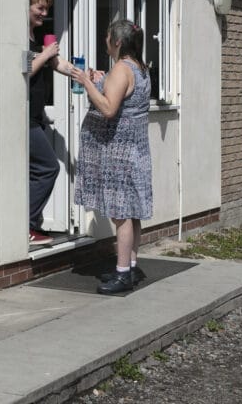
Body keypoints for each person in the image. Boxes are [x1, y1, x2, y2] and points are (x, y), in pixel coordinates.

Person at [71, 19, 153, 295]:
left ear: (117, 41)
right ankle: (130, 266)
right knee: (132, 212)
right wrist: (101, 80)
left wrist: (86, 82)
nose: (105, 41)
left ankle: (122, 275)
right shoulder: (139, 67)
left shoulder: (121, 68)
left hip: (120, 152)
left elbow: (108, 109)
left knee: (121, 214)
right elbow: (122, 95)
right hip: (136, 149)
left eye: (107, 37)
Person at [28, 0, 74, 245]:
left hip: (37, 118)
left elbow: (58, 64)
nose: (44, 13)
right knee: (48, 167)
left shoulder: (38, 36)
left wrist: (84, 74)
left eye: (47, 9)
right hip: (24, 120)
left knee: (34, 172)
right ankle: (27, 225)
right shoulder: (18, 36)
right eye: (40, 8)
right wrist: (45, 54)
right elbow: (24, 71)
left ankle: (29, 224)